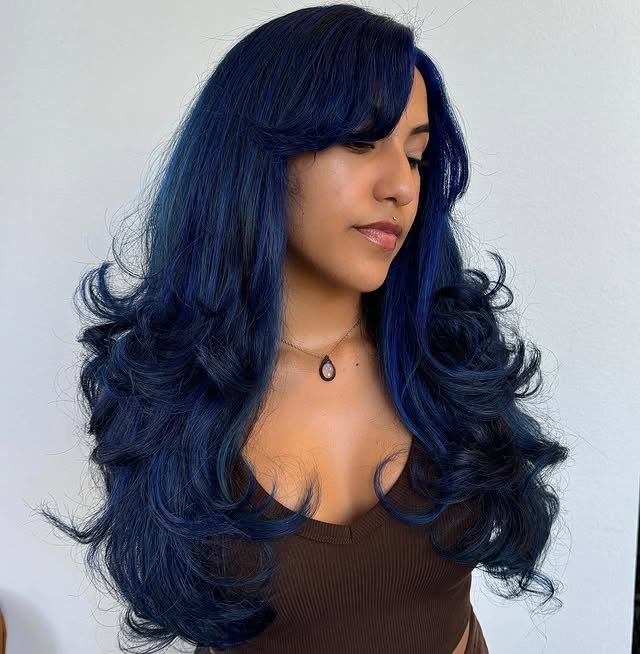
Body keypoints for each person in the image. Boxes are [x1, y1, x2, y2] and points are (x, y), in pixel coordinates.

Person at [38, 4, 569, 653]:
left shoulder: (448, 360)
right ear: (258, 156)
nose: (401, 186)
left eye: (417, 155)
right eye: (361, 141)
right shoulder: (170, 391)